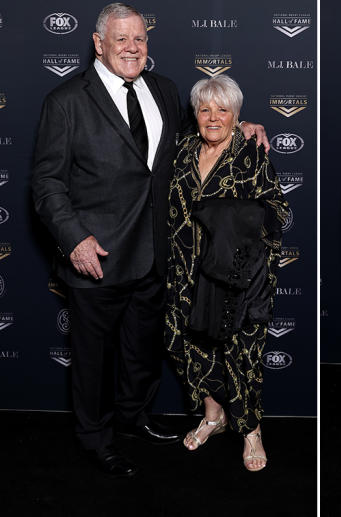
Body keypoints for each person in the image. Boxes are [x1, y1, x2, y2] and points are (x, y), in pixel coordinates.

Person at [30, 3, 266, 478]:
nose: (132, 48)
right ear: (99, 44)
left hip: (156, 254)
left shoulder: (164, 89)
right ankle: (96, 438)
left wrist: (237, 129)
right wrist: (74, 239)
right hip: (94, 256)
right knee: (94, 360)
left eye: (139, 39)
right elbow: (47, 182)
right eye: (121, 39)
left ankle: (134, 417)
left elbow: (190, 144)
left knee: (141, 351)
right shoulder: (66, 100)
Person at [164, 74, 288, 472]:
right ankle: (213, 417)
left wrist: (231, 222)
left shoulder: (250, 151)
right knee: (192, 346)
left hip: (238, 277)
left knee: (240, 354)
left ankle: (250, 430)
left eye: (223, 110)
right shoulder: (182, 149)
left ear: (238, 116)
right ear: (195, 115)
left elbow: (278, 211)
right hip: (186, 273)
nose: (213, 118)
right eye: (205, 109)